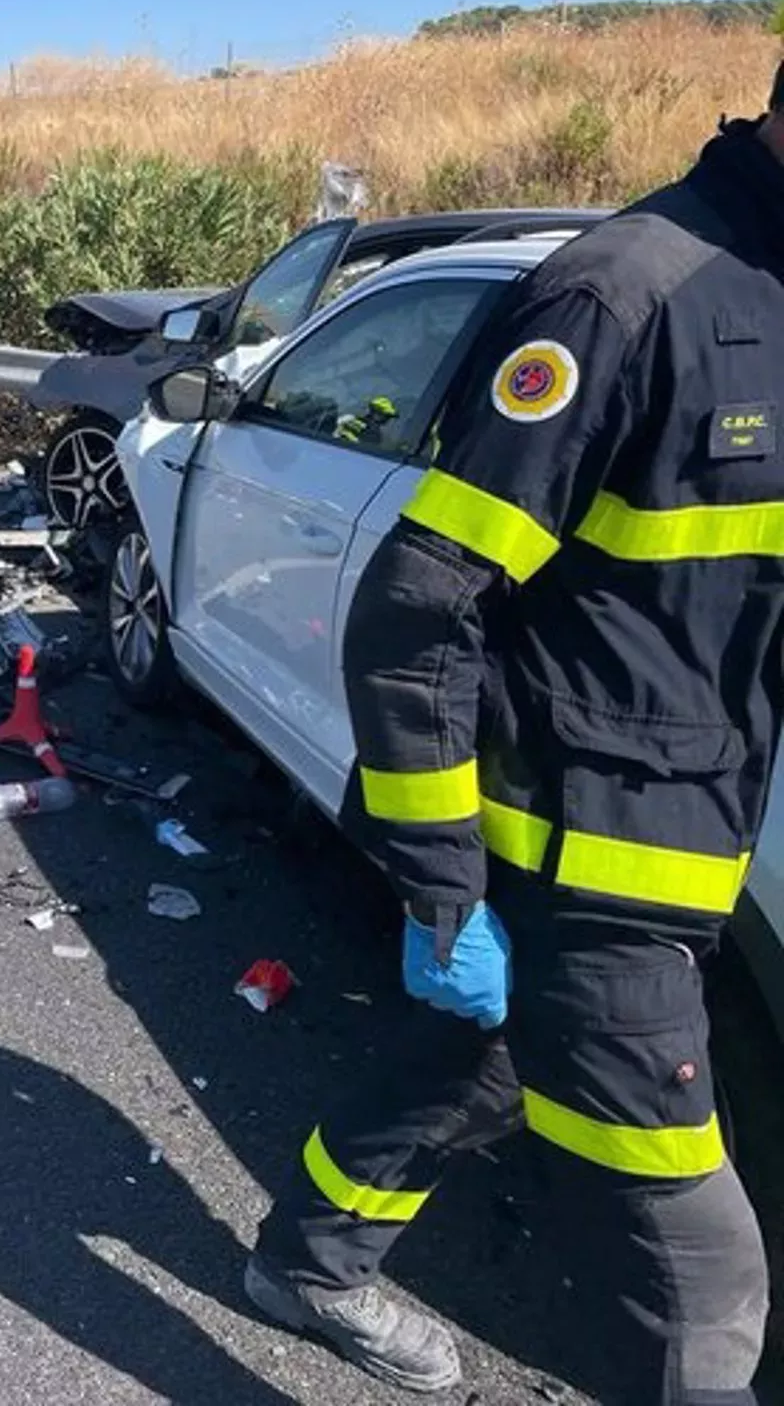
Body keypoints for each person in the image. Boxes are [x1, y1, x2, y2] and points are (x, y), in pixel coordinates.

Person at [243, 72, 784, 1403]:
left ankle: (307, 1263)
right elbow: (419, 611)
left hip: (683, 837)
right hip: (575, 864)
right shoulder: (622, 297)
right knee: (703, 1289)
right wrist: (443, 888)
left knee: (482, 1067)